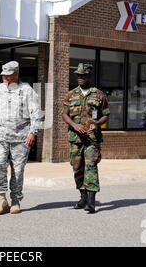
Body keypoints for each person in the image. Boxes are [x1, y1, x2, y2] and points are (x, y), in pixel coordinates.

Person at [0, 61, 41, 215]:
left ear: (16, 74)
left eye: (8, 76)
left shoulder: (27, 91)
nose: (4, 78)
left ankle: (15, 200)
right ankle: (1, 198)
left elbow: (36, 114)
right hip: (1, 137)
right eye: (3, 75)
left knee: (18, 170)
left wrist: (32, 132)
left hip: (21, 139)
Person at [62, 63, 110, 214]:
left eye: (83, 75)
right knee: (77, 167)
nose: (80, 78)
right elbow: (64, 114)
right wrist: (74, 125)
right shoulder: (71, 94)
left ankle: (91, 201)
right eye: (78, 75)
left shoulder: (99, 95)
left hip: (92, 139)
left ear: (89, 76)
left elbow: (106, 114)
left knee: (91, 166)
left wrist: (96, 123)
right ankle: (82, 197)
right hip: (75, 138)